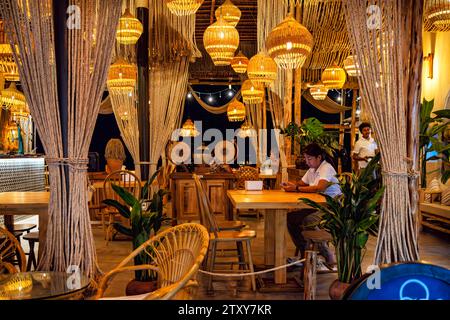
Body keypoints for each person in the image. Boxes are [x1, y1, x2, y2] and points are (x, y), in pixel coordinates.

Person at [281, 143, 341, 266]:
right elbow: (302, 183)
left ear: (319, 157)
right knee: (291, 218)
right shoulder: (312, 169)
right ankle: (305, 253)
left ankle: (327, 253)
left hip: (331, 207)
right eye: (306, 158)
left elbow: (319, 187)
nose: (307, 162)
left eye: (310, 159)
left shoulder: (326, 168)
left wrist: (296, 188)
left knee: (308, 220)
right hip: (317, 205)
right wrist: (291, 185)